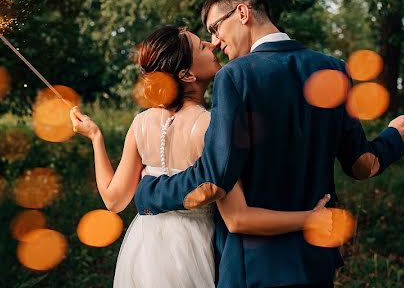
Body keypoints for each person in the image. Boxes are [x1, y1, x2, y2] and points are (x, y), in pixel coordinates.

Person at [132, 0, 404, 288]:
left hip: (255, 267)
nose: (215, 42)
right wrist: (392, 136)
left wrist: (149, 193)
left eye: (215, 28)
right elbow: (362, 165)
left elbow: (214, 180)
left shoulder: (236, 76)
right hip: (316, 259)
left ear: (242, 13)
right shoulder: (334, 69)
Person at [70, 25, 331, 288]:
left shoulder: (141, 123)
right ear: (186, 74)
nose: (212, 45)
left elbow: (113, 200)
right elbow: (238, 218)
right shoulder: (210, 127)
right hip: (190, 251)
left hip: (143, 249)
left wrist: (96, 137)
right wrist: (310, 219)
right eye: (201, 46)